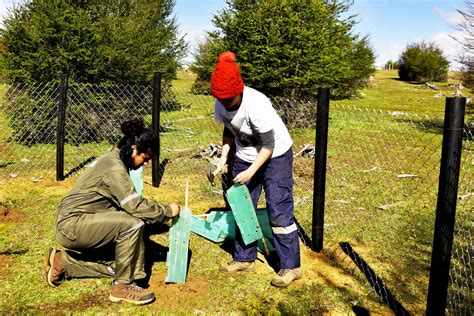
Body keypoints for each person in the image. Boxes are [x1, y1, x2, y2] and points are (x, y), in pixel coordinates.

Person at [45, 119, 181, 305]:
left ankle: (64, 263)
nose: (146, 164)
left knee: (125, 263)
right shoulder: (114, 167)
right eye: (145, 159)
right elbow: (135, 206)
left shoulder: (114, 158)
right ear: (134, 149)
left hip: (80, 221)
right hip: (73, 225)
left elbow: (127, 205)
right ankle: (122, 287)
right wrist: (167, 211)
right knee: (133, 225)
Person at [211, 51, 301, 287]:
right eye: (221, 99)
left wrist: (251, 172)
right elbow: (229, 131)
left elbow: (269, 145)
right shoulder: (220, 102)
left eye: (228, 98)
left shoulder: (257, 104)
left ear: (239, 90)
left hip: (276, 156)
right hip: (244, 155)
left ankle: (290, 266)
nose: (224, 103)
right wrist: (223, 158)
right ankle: (244, 258)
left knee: (278, 208)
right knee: (242, 205)